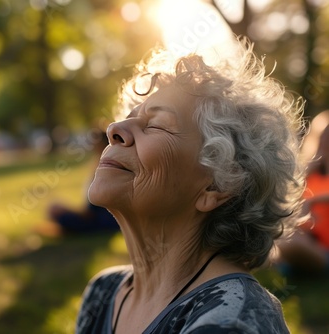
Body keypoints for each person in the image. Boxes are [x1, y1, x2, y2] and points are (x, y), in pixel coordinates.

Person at [76, 39, 306, 334]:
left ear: (218, 184)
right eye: (128, 117)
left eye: (155, 124)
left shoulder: (231, 322)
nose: (113, 130)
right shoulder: (103, 293)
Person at [275, 115, 329, 274]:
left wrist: (312, 202)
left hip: (323, 249)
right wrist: (305, 173)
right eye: (324, 137)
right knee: (286, 237)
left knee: (292, 243)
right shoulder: (310, 177)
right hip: (308, 240)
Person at [46, 131, 119, 234]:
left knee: (57, 212)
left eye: (94, 142)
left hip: (103, 222)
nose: (91, 145)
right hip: (102, 218)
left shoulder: (106, 169)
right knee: (56, 209)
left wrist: (68, 210)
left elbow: (91, 212)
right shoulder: (103, 164)